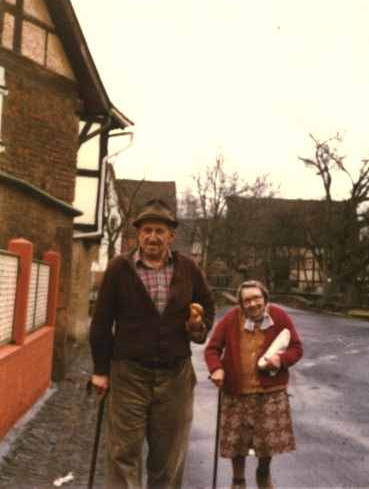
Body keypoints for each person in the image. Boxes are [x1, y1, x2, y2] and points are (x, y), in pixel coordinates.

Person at [89, 198, 215, 489]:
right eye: (147, 230)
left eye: (160, 231)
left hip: (175, 376)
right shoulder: (119, 268)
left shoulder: (188, 268)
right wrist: (100, 370)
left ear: (171, 236)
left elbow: (207, 308)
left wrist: (197, 327)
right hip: (128, 374)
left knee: (168, 458)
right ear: (138, 234)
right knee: (123, 453)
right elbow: (101, 322)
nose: (153, 237)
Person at [205, 280, 303, 489]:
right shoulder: (232, 319)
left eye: (257, 298)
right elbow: (212, 349)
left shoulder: (279, 316)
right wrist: (216, 369)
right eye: (247, 300)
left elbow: (296, 347)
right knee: (236, 441)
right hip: (236, 392)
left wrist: (281, 360)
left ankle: (263, 473)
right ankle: (238, 479)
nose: (253, 304)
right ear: (240, 304)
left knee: (267, 442)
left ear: (265, 298)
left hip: (271, 392)